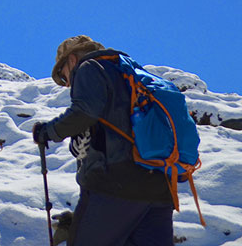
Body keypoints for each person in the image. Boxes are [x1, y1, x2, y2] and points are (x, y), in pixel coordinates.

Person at [31, 36, 175, 246]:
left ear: (71, 60)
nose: (67, 84)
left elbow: (85, 110)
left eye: (64, 77)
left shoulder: (89, 67)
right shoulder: (128, 73)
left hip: (115, 184)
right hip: (159, 187)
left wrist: (48, 132)